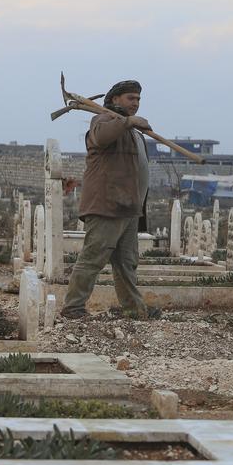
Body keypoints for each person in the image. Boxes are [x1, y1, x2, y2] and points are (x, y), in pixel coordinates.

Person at [60, 79, 158, 320]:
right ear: (115, 100)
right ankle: (73, 308)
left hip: (129, 207)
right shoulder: (103, 120)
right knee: (93, 258)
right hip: (107, 205)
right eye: (130, 98)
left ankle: (134, 309)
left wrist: (130, 124)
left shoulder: (133, 132)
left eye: (138, 99)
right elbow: (101, 138)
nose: (135, 103)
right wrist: (127, 121)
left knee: (126, 263)